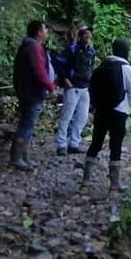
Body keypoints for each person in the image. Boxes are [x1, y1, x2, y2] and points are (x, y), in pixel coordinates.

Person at [81, 39, 131, 193]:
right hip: (119, 112)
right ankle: (114, 185)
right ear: (126, 51)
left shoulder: (101, 67)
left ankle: (85, 183)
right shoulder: (128, 69)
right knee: (116, 147)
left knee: (95, 144)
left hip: (101, 111)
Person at [11, 20, 57, 170]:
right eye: (45, 29)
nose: (47, 32)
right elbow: (39, 71)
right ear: (39, 32)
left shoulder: (30, 46)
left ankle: (24, 156)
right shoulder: (33, 47)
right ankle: (17, 158)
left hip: (29, 91)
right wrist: (50, 87)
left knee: (28, 125)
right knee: (26, 125)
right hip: (31, 93)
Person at [53, 26, 96, 155]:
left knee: (82, 117)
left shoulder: (91, 51)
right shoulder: (71, 49)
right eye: (86, 34)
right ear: (81, 35)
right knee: (67, 116)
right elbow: (58, 64)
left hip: (85, 87)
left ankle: (74, 143)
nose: (88, 36)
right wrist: (65, 79)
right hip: (72, 87)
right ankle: (61, 145)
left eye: (89, 34)